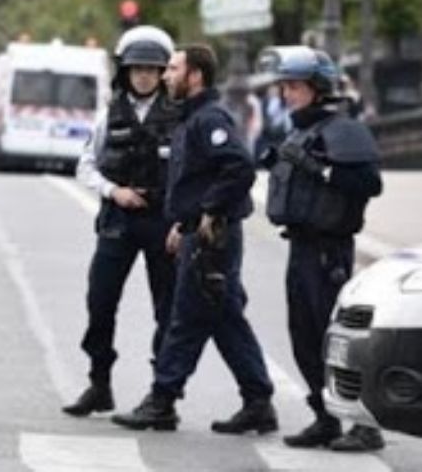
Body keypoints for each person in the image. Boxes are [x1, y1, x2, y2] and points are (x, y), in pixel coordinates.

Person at [112, 44, 277, 434]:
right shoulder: (191, 117)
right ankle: (258, 401)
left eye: (173, 69)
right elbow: (195, 180)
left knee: (186, 317)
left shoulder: (209, 119)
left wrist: (208, 210)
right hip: (199, 232)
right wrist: (183, 223)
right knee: (225, 318)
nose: (166, 76)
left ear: (195, 75)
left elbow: (239, 167)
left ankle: (162, 400)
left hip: (213, 236)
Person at [258, 46, 385, 452]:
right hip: (300, 247)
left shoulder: (344, 130)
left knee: (337, 341)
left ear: (318, 88)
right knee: (303, 336)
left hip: (329, 252)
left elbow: (369, 184)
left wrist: (319, 169)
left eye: (294, 86)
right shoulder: (299, 130)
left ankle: (364, 425)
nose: (286, 94)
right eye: (284, 86)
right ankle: (326, 418)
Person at [63, 26, 179, 417]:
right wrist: (115, 191)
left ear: (162, 72)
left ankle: (162, 396)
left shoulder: (179, 117)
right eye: (137, 69)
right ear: (125, 72)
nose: (144, 76)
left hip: (163, 221)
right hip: (118, 219)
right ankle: (99, 383)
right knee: (100, 301)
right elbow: (85, 166)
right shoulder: (108, 115)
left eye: (151, 69)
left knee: (167, 309)